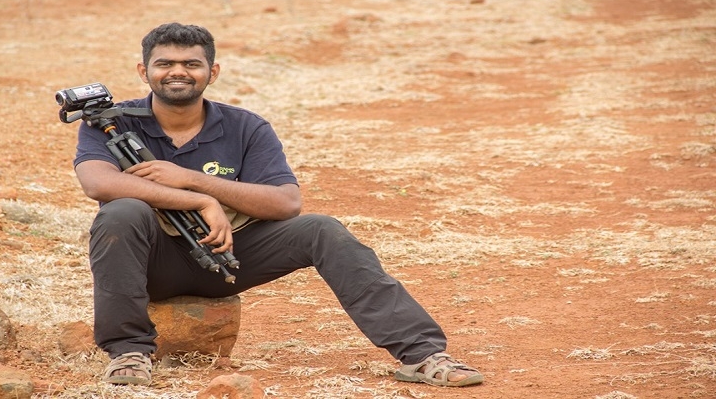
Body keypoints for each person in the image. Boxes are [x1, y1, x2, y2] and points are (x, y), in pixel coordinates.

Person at [71, 22, 484, 388]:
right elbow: (98, 183)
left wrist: (195, 179)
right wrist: (198, 200)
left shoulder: (245, 126)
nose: (178, 71)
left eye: (192, 64)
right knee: (121, 212)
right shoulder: (111, 121)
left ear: (212, 72)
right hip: (151, 263)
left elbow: (286, 203)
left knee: (322, 229)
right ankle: (128, 351)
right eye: (165, 63)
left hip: (229, 257)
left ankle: (423, 355)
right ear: (144, 71)